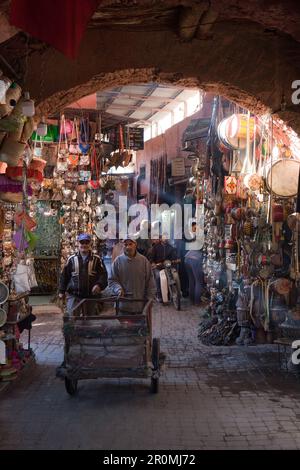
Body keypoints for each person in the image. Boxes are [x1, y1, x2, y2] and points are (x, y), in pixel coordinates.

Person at [59, 233, 108, 316]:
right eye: (82, 242)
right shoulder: (71, 259)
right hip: (74, 295)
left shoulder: (97, 259)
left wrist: (99, 285)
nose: (84, 245)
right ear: (78, 243)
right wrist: (61, 291)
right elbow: (64, 276)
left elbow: (103, 275)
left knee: (90, 321)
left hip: (91, 296)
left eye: (86, 242)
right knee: (72, 320)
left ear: (90, 244)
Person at [109, 237, 156, 314]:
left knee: (140, 326)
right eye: (125, 244)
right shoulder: (117, 261)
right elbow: (112, 280)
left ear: (135, 245)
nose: (128, 247)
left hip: (141, 306)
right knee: (123, 326)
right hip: (122, 306)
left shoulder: (144, 261)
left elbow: (150, 282)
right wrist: (118, 289)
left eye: (130, 244)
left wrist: (149, 300)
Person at [148, 234, 179, 302]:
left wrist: (175, 260)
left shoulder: (170, 247)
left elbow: (174, 257)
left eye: (166, 237)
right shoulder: (156, 247)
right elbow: (151, 258)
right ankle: (159, 296)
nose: (165, 239)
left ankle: (173, 293)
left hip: (168, 266)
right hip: (158, 267)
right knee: (158, 277)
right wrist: (153, 263)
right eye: (163, 237)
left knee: (173, 276)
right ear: (161, 239)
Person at [184, 222, 204, 306]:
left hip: (187, 257)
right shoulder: (200, 236)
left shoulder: (194, 235)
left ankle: (192, 300)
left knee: (192, 280)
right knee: (199, 281)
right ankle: (197, 302)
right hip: (195, 259)